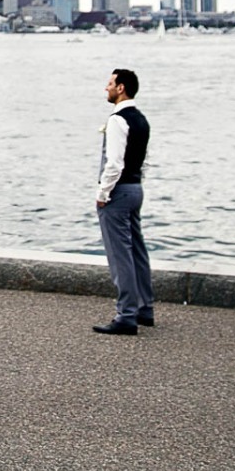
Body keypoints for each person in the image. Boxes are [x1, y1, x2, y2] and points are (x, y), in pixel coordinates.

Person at [92, 67, 154, 335]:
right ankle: (144, 308)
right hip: (136, 188)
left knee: (120, 255)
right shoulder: (141, 119)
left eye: (110, 84)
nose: (106, 88)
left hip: (118, 192)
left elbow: (114, 163)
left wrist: (102, 194)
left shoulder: (118, 119)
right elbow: (143, 160)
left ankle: (126, 314)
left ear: (121, 88)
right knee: (137, 250)